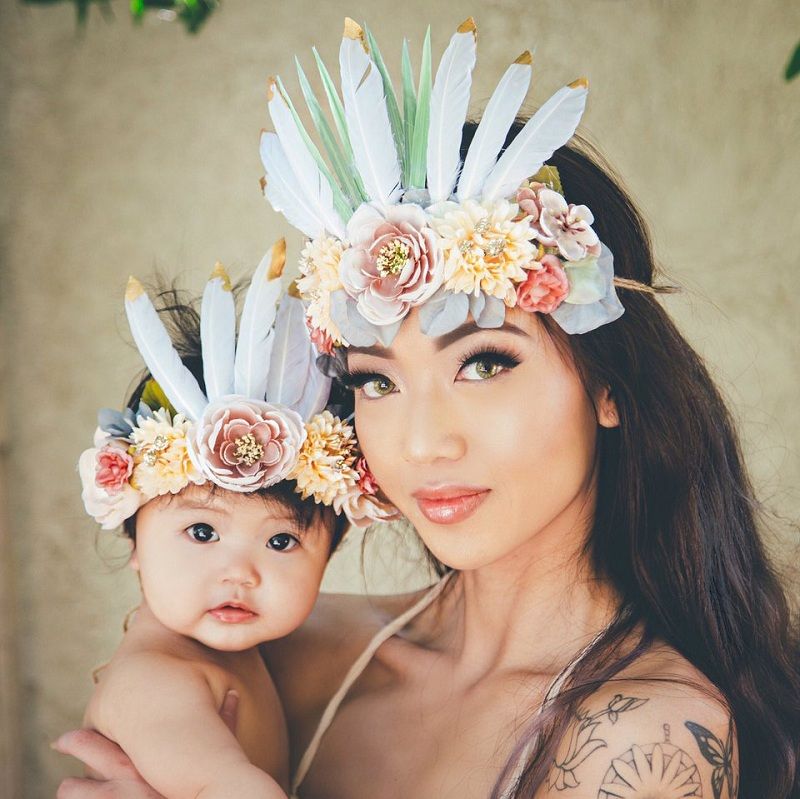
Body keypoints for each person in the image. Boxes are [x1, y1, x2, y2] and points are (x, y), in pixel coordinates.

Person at [54, 18, 800, 799]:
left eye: (484, 363)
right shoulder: (276, 646)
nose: (420, 442)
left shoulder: (641, 736)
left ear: (610, 383)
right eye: (378, 380)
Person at [59, 249, 392, 798]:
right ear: (133, 533)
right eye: (203, 532)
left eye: (281, 540)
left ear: (330, 553)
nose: (240, 572)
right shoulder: (156, 681)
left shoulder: (228, 658)